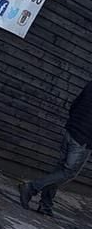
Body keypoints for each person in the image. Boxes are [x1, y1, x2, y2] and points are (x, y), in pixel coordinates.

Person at [19, 79, 92, 216]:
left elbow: (75, 104)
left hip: (71, 130)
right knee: (69, 172)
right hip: (83, 138)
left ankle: (45, 205)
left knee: (60, 170)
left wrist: (73, 123)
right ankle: (31, 187)